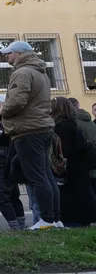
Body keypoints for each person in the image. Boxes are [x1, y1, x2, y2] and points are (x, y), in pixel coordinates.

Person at [0, 40, 62, 229]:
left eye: (9, 53)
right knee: (47, 175)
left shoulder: (22, 72)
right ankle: (55, 219)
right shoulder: (41, 73)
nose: (7, 56)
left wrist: (3, 112)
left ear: (19, 54)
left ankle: (46, 220)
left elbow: (17, 101)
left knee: (37, 176)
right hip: (43, 128)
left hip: (27, 130)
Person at [50, 97, 96, 227]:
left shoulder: (61, 127)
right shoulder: (73, 124)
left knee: (71, 210)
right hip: (80, 170)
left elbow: (63, 151)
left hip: (69, 173)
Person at [0, 94, 25, 230]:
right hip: (9, 161)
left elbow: (0, 139)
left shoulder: (5, 121)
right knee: (13, 195)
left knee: (2, 196)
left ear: (2, 104)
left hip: (3, 161)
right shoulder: (7, 119)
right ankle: (21, 226)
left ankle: (15, 227)